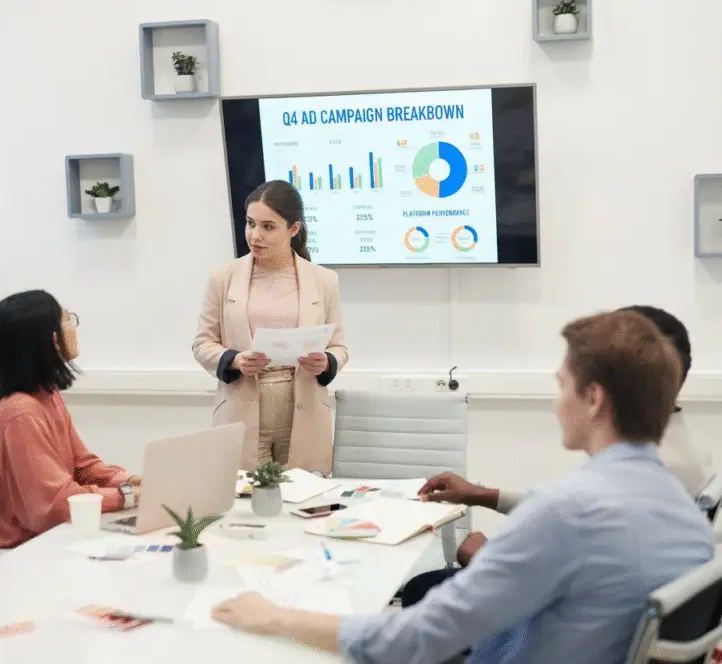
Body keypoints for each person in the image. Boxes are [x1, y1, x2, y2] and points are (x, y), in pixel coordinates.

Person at [211, 310, 715, 664]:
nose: (554, 403)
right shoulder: (683, 510)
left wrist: (274, 617)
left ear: (594, 399)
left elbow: (416, 639)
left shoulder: (569, 513)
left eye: (562, 386)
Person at [403, 304, 715, 607]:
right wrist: (482, 495)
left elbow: (589, 588)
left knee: (423, 590)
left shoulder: (653, 470)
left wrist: (486, 559)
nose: (558, 402)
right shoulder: (678, 447)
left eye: (566, 383)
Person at [192, 180, 348, 475]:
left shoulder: (323, 280)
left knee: (304, 505)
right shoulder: (223, 277)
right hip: (242, 411)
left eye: (268, 226)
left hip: (304, 412)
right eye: (250, 224)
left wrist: (325, 361)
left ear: (293, 229)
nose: (255, 236)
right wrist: (235, 360)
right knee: (246, 506)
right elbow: (202, 344)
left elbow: (339, 346)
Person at [0, 290, 141, 550]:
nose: (74, 328)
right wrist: (125, 497)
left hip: (51, 542)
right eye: (67, 320)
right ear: (52, 339)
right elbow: (54, 505)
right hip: (19, 556)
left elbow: (83, 467)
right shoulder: (21, 413)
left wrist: (130, 481)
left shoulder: (46, 395)